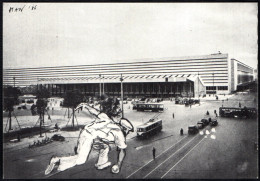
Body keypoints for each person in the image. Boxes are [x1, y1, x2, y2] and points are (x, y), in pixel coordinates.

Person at [45, 99, 134, 175]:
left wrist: (84, 105)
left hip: (91, 136)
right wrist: (118, 165)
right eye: (127, 130)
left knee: (105, 147)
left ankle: (101, 163)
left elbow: (94, 111)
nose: (127, 132)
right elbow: (122, 151)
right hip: (88, 136)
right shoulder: (119, 133)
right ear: (124, 128)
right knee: (81, 160)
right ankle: (57, 160)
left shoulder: (105, 116)